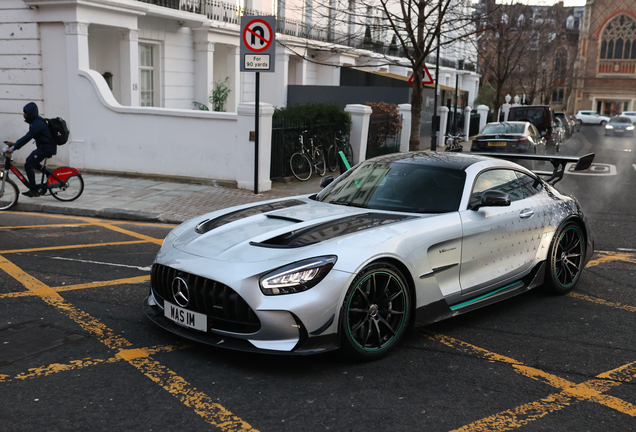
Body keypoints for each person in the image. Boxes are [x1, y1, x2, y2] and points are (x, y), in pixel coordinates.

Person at [5, 102, 57, 197]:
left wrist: (14, 148)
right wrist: (15, 144)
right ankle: (48, 174)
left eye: (26, 112)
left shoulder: (37, 124)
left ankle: (34, 190)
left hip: (46, 148)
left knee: (28, 164)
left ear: (31, 113)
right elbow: (28, 136)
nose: (24, 114)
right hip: (45, 147)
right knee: (33, 162)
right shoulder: (36, 122)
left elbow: (28, 137)